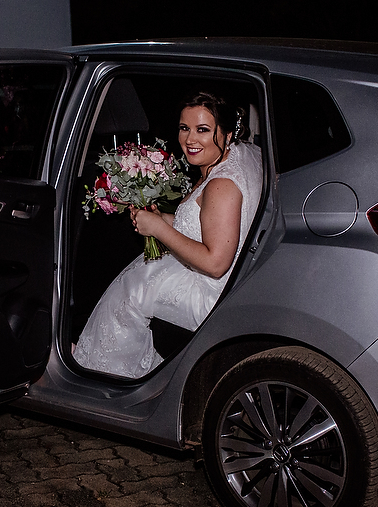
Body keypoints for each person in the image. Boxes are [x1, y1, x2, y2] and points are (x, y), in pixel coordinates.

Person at [73, 91, 263, 378]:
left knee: (132, 289)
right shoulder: (237, 156)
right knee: (140, 273)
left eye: (203, 130)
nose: (190, 139)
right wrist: (164, 219)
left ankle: (109, 373)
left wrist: (159, 229)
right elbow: (209, 225)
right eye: (184, 128)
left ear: (227, 134)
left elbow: (215, 264)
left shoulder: (221, 185)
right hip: (232, 279)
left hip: (213, 293)